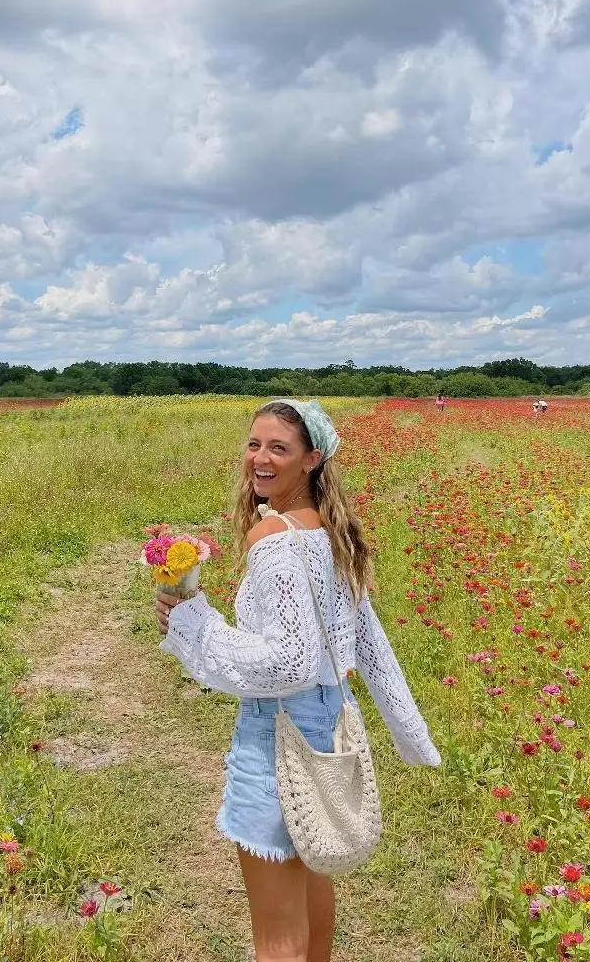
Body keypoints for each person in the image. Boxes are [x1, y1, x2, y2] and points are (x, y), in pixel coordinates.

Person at [154, 399, 440, 962]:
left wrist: (194, 619)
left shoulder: (276, 540)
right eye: (254, 444)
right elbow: (369, 642)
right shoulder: (328, 533)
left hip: (274, 739)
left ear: (312, 458)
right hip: (328, 730)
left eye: (278, 448)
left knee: (277, 937)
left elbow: (288, 664)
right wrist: (412, 736)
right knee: (313, 887)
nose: (260, 458)